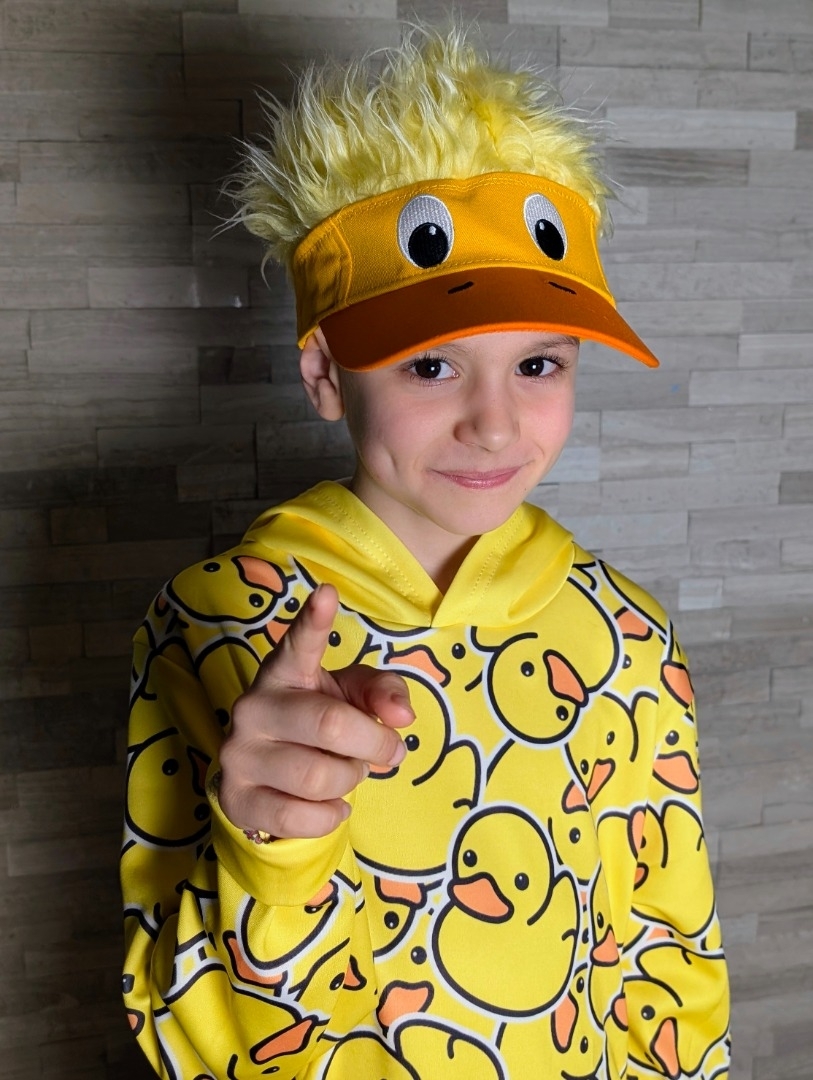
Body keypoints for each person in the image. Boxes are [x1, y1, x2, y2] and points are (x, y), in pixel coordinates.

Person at [120, 23, 730, 1080]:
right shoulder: (216, 619)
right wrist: (273, 856)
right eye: (432, 367)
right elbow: (180, 1026)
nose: (494, 427)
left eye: (537, 365)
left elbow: (669, 963)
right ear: (324, 373)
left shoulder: (629, 635)